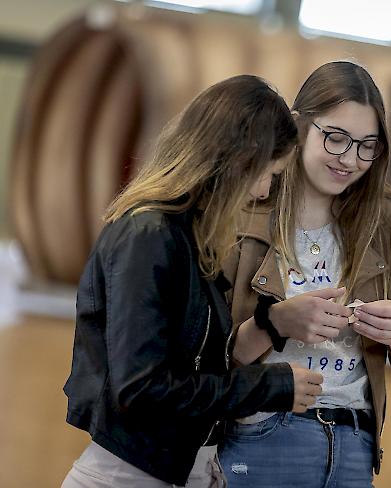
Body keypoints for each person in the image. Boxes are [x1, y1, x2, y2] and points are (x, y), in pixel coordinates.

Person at [62, 75, 325, 488]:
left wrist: (270, 324)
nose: (263, 191)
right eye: (268, 174)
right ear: (238, 160)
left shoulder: (189, 237)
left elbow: (194, 363)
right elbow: (141, 389)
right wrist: (265, 386)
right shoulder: (149, 234)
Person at [217, 61, 391, 487]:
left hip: (355, 443)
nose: (350, 160)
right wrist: (276, 322)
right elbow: (206, 352)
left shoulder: (386, 217)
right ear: (299, 126)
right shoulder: (247, 206)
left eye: (366, 146)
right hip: (259, 432)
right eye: (336, 139)